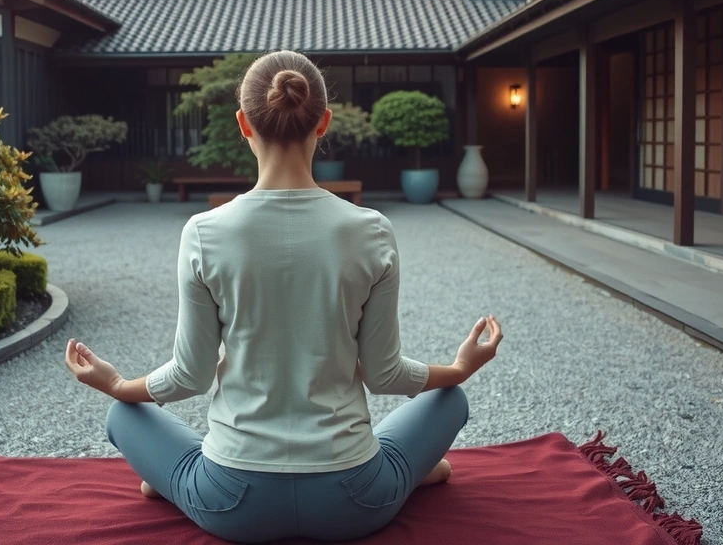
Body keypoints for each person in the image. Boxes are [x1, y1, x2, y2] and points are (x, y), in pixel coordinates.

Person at [64, 50, 503, 543]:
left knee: (123, 413)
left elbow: (190, 375)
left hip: (232, 503)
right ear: (324, 122)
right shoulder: (371, 230)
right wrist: (459, 369)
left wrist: (117, 384)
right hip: (354, 501)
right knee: (450, 400)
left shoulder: (204, 232)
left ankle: (176, 483)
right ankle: (407, 475)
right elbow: (384, 375)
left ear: (243, 124)